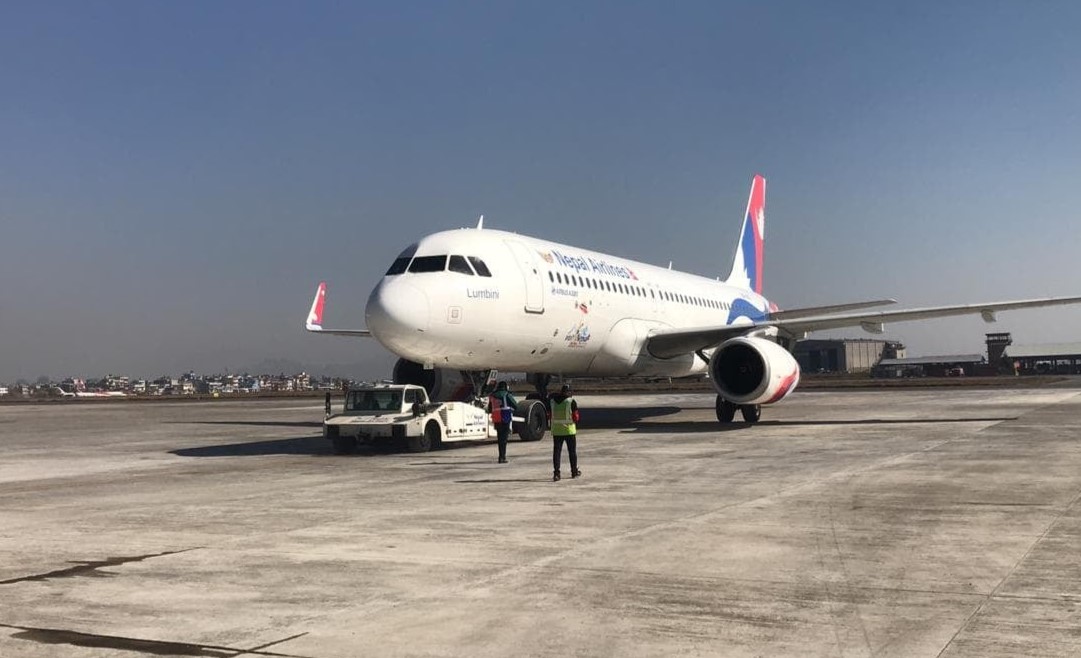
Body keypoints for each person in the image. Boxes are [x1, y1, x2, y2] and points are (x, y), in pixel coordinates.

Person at [548, 384, 580, 481]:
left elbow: (550, 415)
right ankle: (574, 471)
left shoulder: (552, 402)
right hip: (569, 431)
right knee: (572, 452)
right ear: (569, 392)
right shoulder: (571, 402)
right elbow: (576, 417)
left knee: (557, 453)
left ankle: (556, 473)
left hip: (557, 431)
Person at [487, 381, 518, 464]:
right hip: (505, 418)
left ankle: (501, 456)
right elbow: (515, 405)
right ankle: (502, 457)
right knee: (504, 440)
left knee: (500, 439)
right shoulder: (507, 395)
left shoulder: (492, 396)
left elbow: (489, 409)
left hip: (497, 419)